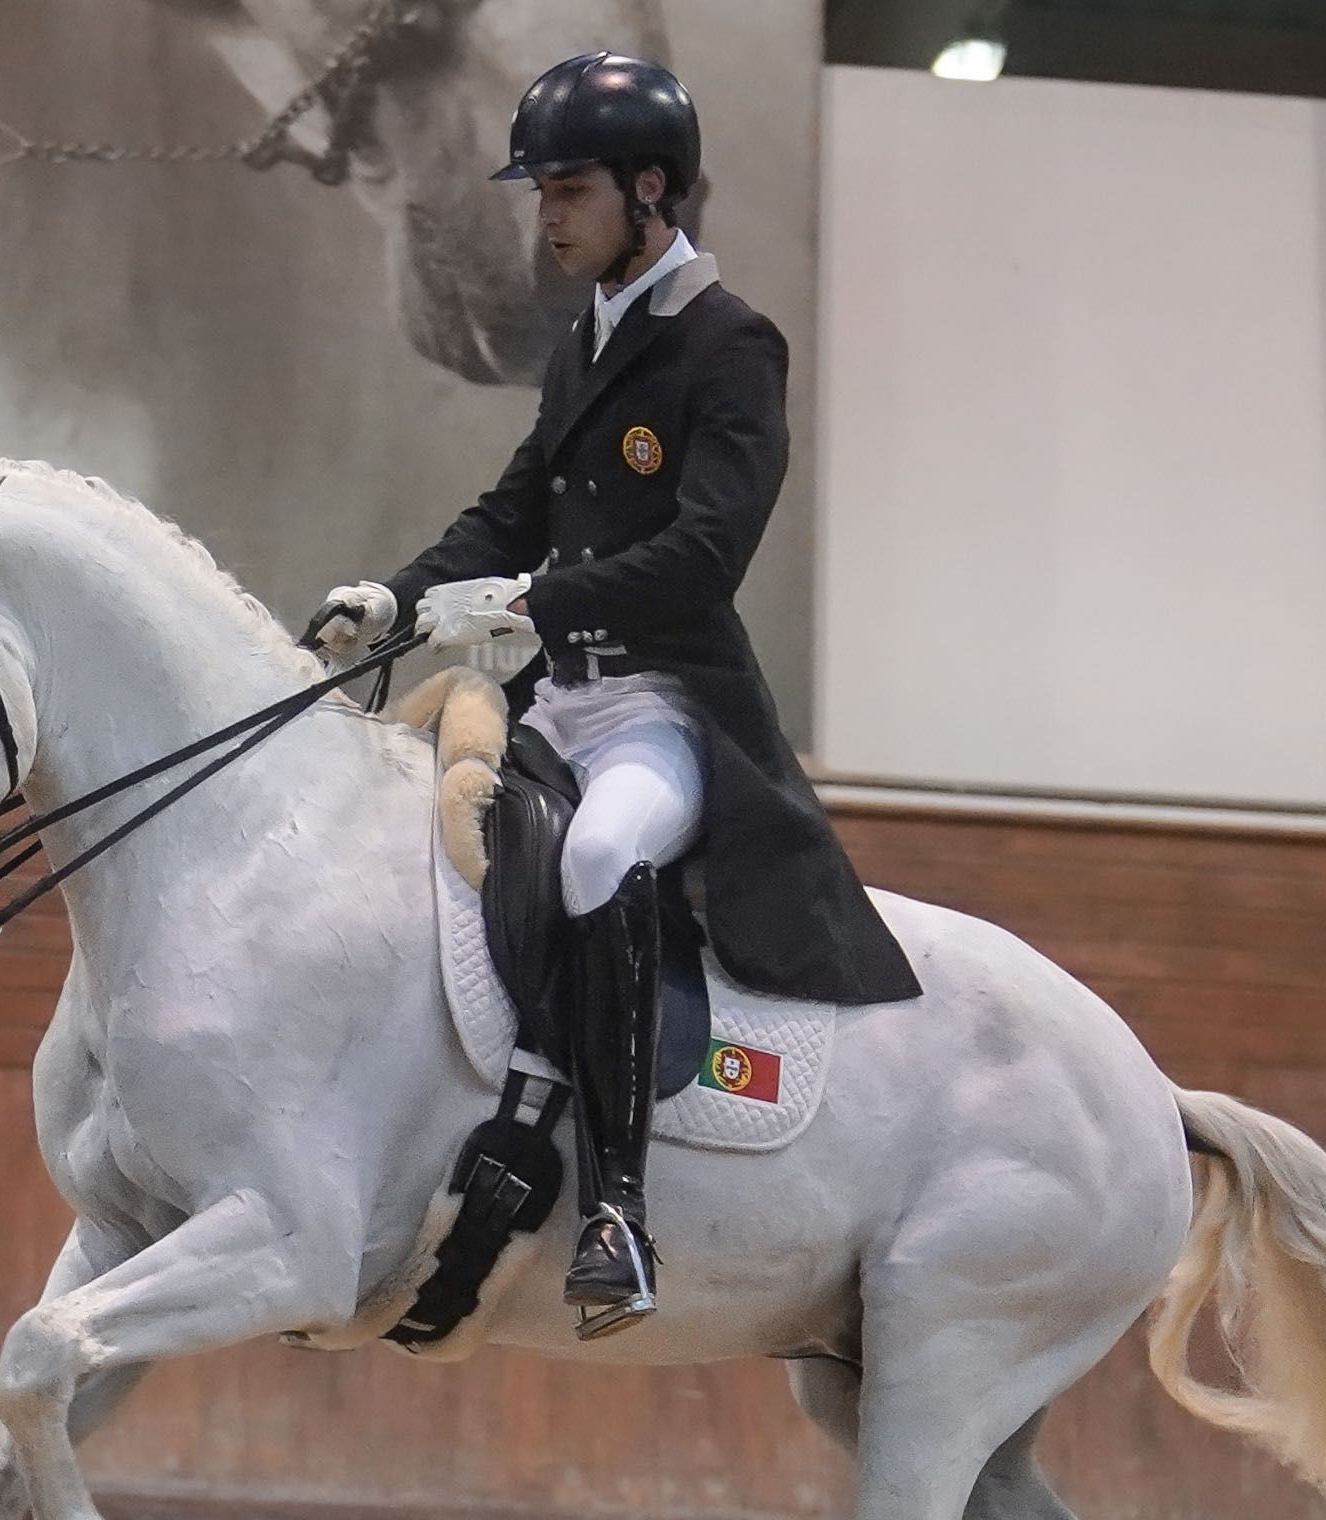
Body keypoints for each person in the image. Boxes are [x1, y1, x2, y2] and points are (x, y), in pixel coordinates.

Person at [320, 50, 920, 1340]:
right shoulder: (584, 342)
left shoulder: (729, 346)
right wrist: (396, 594)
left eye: (571, 189)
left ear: (653, 192)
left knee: (596, 856)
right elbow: (513, 508)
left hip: (664, 715)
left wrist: (538, 606)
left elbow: (709, 552)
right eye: (540, 188)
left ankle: (619, 1216)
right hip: (556, 707)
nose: (546, 216)